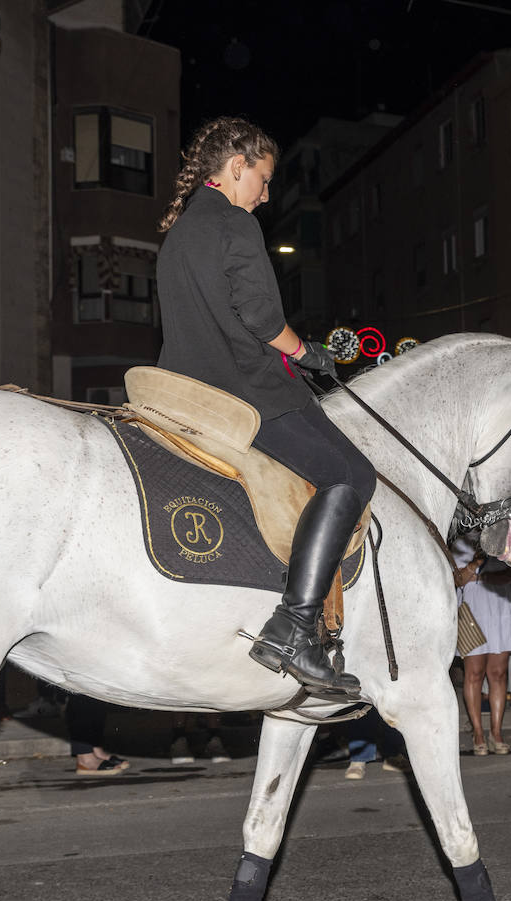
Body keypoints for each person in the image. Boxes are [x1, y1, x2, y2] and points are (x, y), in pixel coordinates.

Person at [156, 117, 374, 698]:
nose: (268, 194)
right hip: (248, 391)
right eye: (264, 178)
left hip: (187, 389)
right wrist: (306, 352)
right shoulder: (234, 222)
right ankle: (295, 625)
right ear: (236, 167)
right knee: (351, 473)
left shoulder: (179, 231)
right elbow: (258, 316)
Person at [454, 535, 511, 755]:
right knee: (474, 673)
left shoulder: (503, 538)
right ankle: (478, 733)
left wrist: (484, 578)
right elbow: (458, 579)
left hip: (500, 606)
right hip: (473, 610)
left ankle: (496, 732)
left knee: (498, 673)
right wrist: (475, 564)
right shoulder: (459, 543)